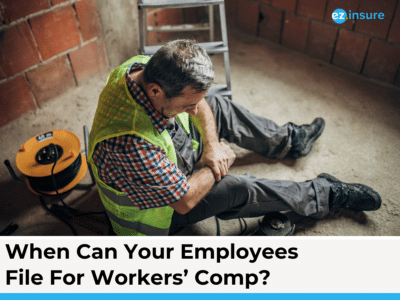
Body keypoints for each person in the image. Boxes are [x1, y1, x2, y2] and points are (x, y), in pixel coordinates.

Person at [88, 39, 382, 236]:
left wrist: (213, 145)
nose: (193, 108)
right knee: (238, 186)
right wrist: (215, 165)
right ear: (155, 90)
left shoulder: (143, 67)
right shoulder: (129, 144)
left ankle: (289, 140)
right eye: (186, 104)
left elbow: (200, 103)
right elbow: (184, 200)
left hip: (163, 161)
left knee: (216, 107)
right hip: (157, 214)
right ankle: (326, 193)